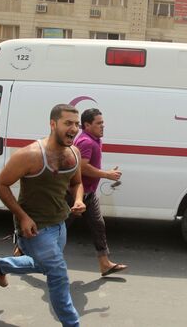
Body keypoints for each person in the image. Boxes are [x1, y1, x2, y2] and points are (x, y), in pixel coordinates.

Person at [0, 103, 85, 327]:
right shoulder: (30, 155)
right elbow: (1, 185)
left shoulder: (75, 152)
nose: (73, 128)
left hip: (60, 223)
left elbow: (77, 183)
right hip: (35, 227)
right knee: (58, 272)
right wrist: (22, 216)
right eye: (68, 123)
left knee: (45, 266)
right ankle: (72, 324)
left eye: (76, 124)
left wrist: (79, 199)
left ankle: (2, 265)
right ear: (53, 124)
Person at [67, 108, 127, 276]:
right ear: (87, 125)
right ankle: (25, 251)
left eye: (103, 123)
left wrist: (105, 172)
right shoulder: (86, 142)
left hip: (89, 194)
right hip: (74, 195)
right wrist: (106, 174)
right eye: (99, 123)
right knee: (57, 229)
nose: (103, 126)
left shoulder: (95, 139)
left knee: (98, 225)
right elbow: (82, 167)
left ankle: (104, 264)